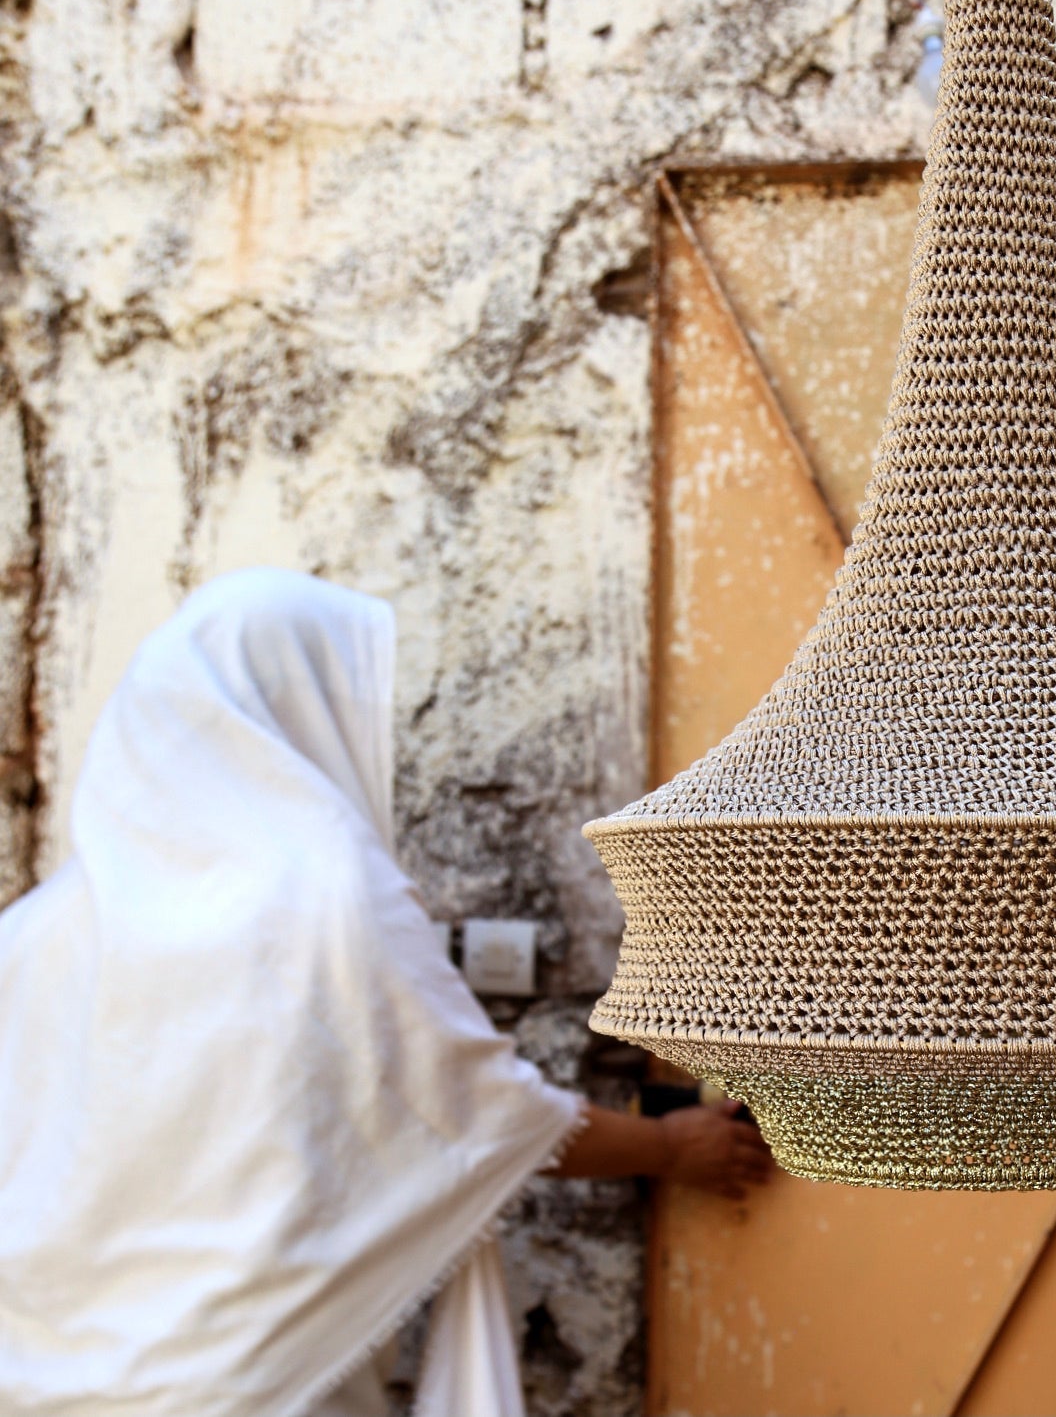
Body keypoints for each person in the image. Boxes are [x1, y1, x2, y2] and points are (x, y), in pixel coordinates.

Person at [0, 568, 769, 1416]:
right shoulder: (322, 890)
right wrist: (670, 1148)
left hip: (46, 1375)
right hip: (247, 1379)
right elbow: (465, 1109)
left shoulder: (40, 931)